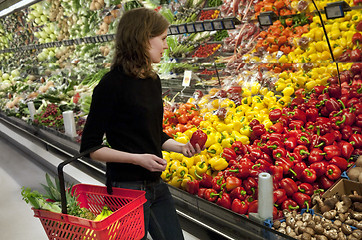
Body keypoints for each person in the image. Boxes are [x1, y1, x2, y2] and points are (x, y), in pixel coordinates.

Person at [80, 7, 202, 240]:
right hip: (126, 188)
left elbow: (152, 132)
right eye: (163, 39)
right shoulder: (110, 85)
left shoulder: (152, 80)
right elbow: (90, 147)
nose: (166, 46)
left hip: (156, 185)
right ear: (143, 39)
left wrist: (180, 147)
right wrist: (138, 159)